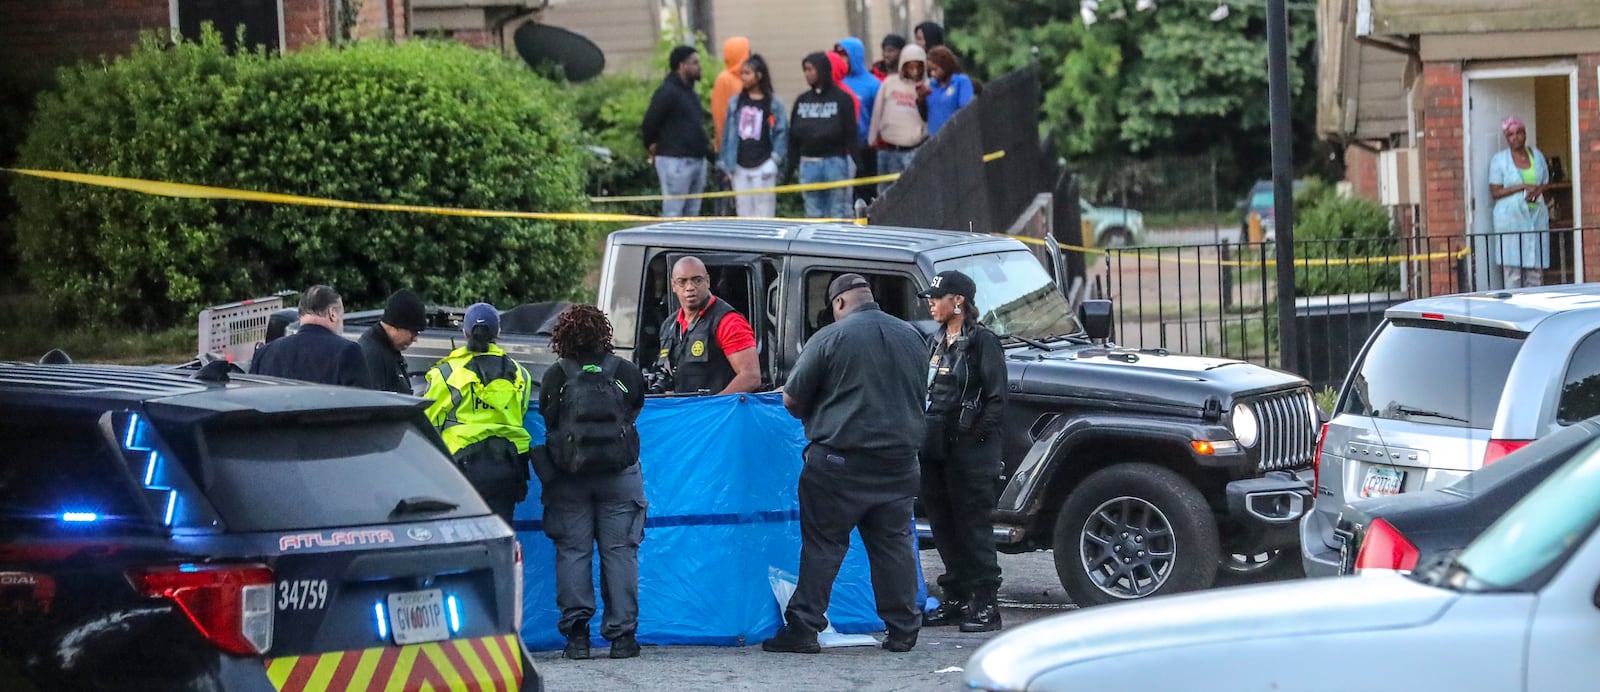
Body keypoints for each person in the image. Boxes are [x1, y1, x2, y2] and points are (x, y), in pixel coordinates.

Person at [763, 274, 928, 655]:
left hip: (839, 465)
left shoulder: (830, 338)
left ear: (838, 304)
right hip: (900, 464)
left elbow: (791, 400)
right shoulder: (912, 337)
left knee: (823, 545)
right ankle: (903, 629)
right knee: (894, 546)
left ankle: (804, 629)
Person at [539, 304, 648, 661]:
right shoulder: (625, 370)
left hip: (569, 479)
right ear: (604, 332)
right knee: (620, 553)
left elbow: (549, 418)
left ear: (561, 337)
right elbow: (634, 407)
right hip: (620, 477)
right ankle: (623, 638)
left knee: (573, 553)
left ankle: (577, 638)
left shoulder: (556, 375)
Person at [916, 270, 1006, 633]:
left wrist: (972, 437)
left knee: (974, 528)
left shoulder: (983, 341)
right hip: (935, 447)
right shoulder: (936, 340)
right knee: (943, 526)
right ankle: (956, 597)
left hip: (970, 452)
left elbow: (997, 401)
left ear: (959, 301)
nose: (931, 303)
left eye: (938, 298)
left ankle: (986, 603)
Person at [422, 303, 532, 525]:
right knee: (500, 539)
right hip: (507, 468)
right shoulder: (521, 374)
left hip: (461, 471)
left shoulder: (446, 373)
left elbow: (428, 422)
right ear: (498, 333)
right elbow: (519, 413)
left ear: (464, 332)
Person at [653, 256, 761, 395]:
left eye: (697, 280)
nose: (690, 287)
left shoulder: (728, 321)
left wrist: (712, 407)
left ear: (708, 281)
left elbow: (751, 377)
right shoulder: (670, 325)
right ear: (673, 286)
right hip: (683, 412)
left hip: (717, 413)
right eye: (682, 282)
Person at [249, 285, 368, 387]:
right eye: (342, 316)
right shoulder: (348, 352)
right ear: (332, 313)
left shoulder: (264, 354)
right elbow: (363, 405)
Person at [642, 46, 711, 218]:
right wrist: (651, 144)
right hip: (675, 161)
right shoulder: (667, 92)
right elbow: (650, 122)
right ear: (682, 66)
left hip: (696, 160)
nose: (699, 67)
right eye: (694, 63)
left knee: (692, 214)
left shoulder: (691, 94)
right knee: (674, 211)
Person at [719, 54, 788, 219]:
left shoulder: (774, 103)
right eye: (742, 73)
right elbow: (728, 133)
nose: (743, 77)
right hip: (740, 166)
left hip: (763, 165)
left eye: (747, 73)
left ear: (759, 75)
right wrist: (726, 164)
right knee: (743, 214)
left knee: (764, 214)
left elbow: (782, 132)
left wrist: (774, 160)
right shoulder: (736, 102)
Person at [790, 52, 859, 219]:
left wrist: (859, 162)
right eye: (805, 70)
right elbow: (793, 135)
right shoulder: (802, 100)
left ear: (821, 70)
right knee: (813, 214)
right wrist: (790, 167)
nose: (807, 74)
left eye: (810, 69)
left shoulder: (842, 99)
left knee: (838, 212)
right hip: (808, 164)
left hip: (834, 162)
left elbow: (851, 133)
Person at [1488, 115, 1551, 288]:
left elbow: (1545, 181)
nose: (1515, 138)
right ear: (1506, 138)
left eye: (1519, 133)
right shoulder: (1499, 160)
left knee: (1535, 271)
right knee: (1513, 272)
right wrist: (1521, 186)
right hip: (1510, 221)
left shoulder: (1536, 155)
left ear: (1525, 134)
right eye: (1510, 135)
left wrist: (1538, 190)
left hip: (1535, 217)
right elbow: (1495, 191)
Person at [867, 43, 928, 195]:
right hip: (888, 148)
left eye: (918, 66)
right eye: (910, 66)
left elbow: (928, 116)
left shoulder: (927, 86)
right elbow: (877, 110)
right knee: (885, 193)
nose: (914, 71)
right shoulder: (890, 83)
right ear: (903, 65)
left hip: (914, 149)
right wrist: (872, 136)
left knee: (913, 191)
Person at [836, 37, 882, 208]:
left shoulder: (873, 84)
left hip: (866, 149)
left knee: (867, 196)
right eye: (838, 54)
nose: (841, 59)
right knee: (846, 199)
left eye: (844, 54)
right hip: (843, 150)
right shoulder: (837, 84)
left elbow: (878, 116)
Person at [357, 288, 426, 394]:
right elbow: (373, 404)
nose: (415, 339)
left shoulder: (388, 348)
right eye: (413, 332)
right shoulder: (371, 355)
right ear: (396, 325)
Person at [710, 37, 751, 153]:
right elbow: (720, 114)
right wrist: (725, 142)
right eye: (747, 52)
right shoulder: (724, 79)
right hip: (731, 144)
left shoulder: (746, 77)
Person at [924, 46, 975, 137]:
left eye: (935, 69)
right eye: (930, 70)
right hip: (934, 139)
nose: (932, 74)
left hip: (955, 137)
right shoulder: (931, 85)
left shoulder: (961, 81)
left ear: (945, 66)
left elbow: (966, 109)